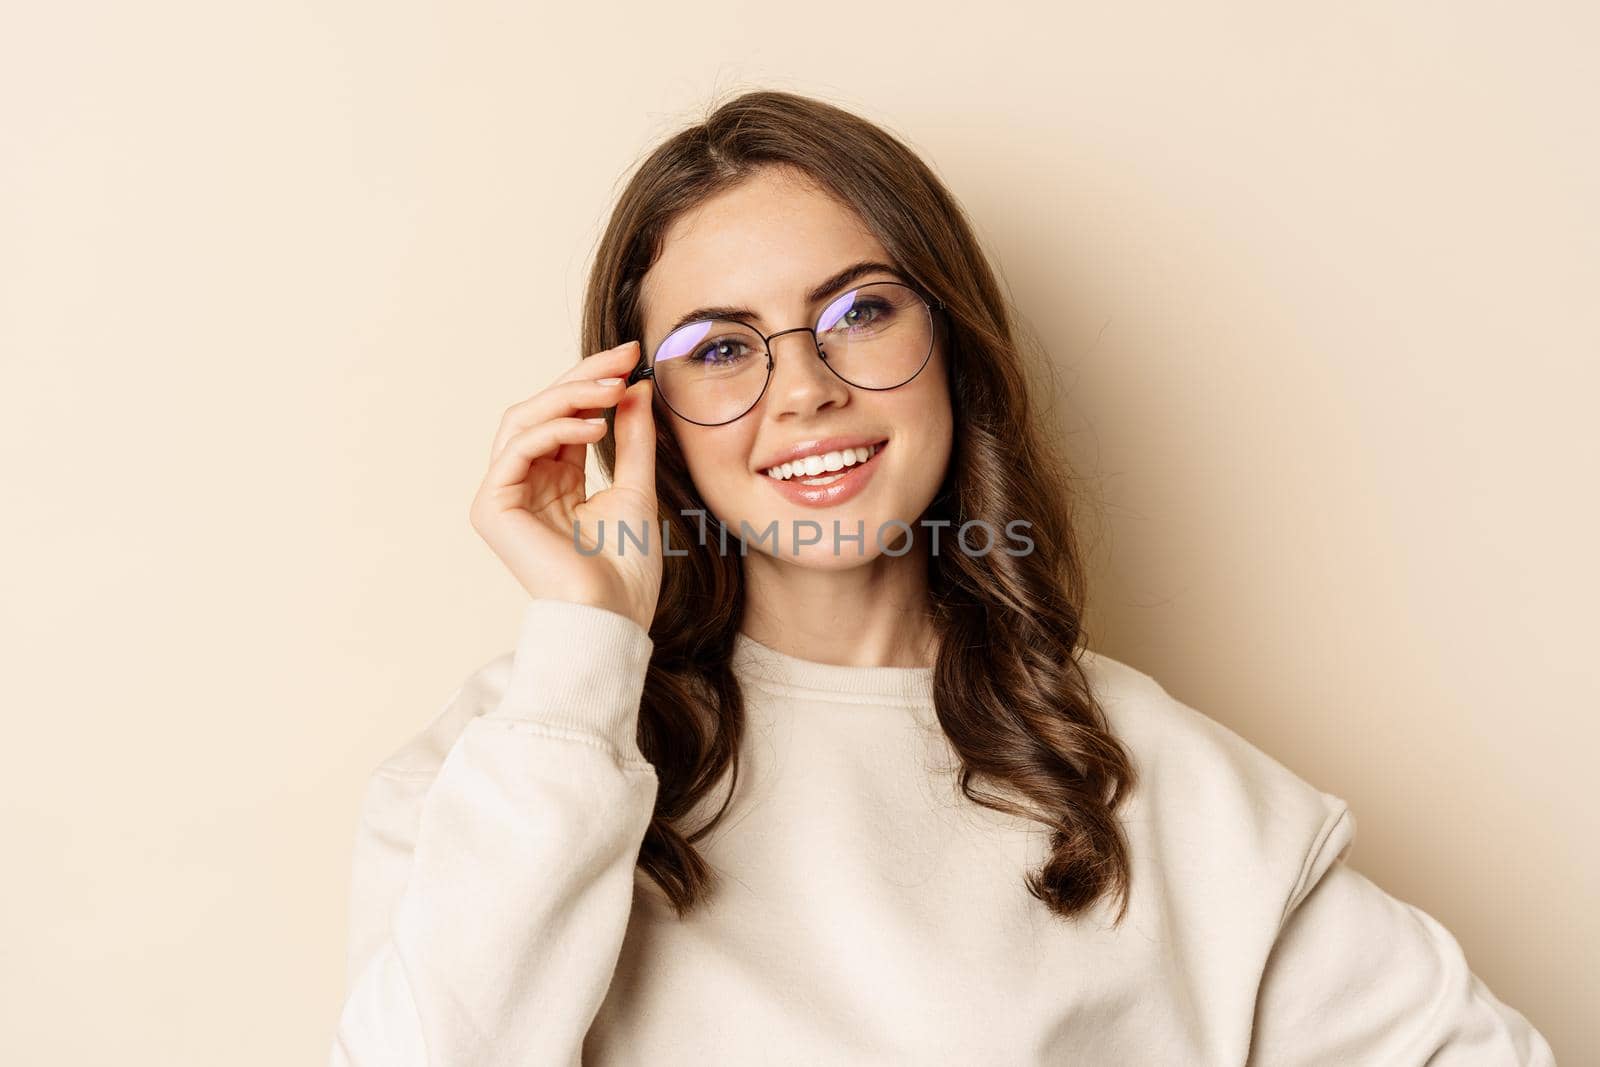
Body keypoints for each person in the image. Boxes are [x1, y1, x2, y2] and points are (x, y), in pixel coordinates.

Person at [326, 91, 1555, 1066]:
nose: (803, 389)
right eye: (719, 348)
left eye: (859, 311)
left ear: (953, 349)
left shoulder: (1170, 790)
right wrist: (584, 645)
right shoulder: (509, 761)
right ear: (642, 417)